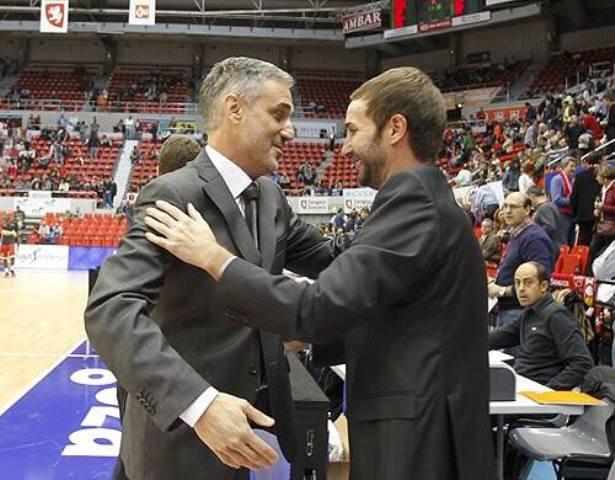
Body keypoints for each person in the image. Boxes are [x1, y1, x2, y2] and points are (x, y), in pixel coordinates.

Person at [144, 67, 494, 480]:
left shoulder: (412, 201)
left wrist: (214, 258)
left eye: (353, 130)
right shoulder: (427, 199)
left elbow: (319, 306)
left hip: (420, 437)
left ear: (395, 128)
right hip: (424, 426)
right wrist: (301, 338)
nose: (344, 148)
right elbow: (393, 312)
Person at [84, 57, 337, 480]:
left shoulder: (272, 198)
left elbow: (334, 258)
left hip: (252, 436)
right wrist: (200, 404)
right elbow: (110, 309)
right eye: (279, 114)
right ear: (234, 109)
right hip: (184, 441)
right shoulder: (172, 192)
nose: (289, 131)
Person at [489, 262, 593, 390]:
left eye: (528, 282)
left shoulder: (556, 315)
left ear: (543, 286)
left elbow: (582, 363)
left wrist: (548, 391)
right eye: (517, 282)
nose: (521, 288)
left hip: (538, 396)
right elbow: (501, 336)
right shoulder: (529, 313)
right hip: (522, 387)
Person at [489, 192, 555, 328]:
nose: (507, 211)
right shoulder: (517, 235)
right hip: (509, 310)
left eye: (513, 207)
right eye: (505, 206)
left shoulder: (534, 239)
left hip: (520, 313)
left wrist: (500, 290)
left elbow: (539, 282)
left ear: (527, 210)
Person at [570, 153, 602, 246]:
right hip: (599, 215)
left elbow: (574, 197)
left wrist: (576, 213)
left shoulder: (579, 176)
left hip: (583, 215)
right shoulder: (604, 175)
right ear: (600, 161)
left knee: (583, 244)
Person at [526, 186, 568, 254]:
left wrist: (535, 235)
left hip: (552, 247)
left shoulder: (544, 208)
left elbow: (550, 226)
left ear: (532, 196)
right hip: (558, 246)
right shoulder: (550, 205)